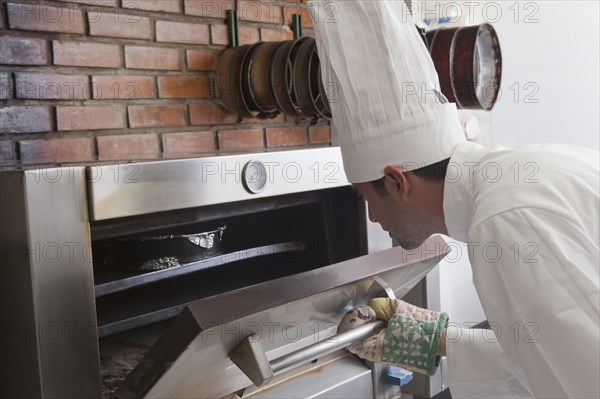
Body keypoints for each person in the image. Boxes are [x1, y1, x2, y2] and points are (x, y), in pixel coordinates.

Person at [309, 1, 600, 398]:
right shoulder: (513, 181)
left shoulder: (505, 218)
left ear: (397, 181)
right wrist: (434, 338)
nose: (373, 218)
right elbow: (550, 358)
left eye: (366, 197)